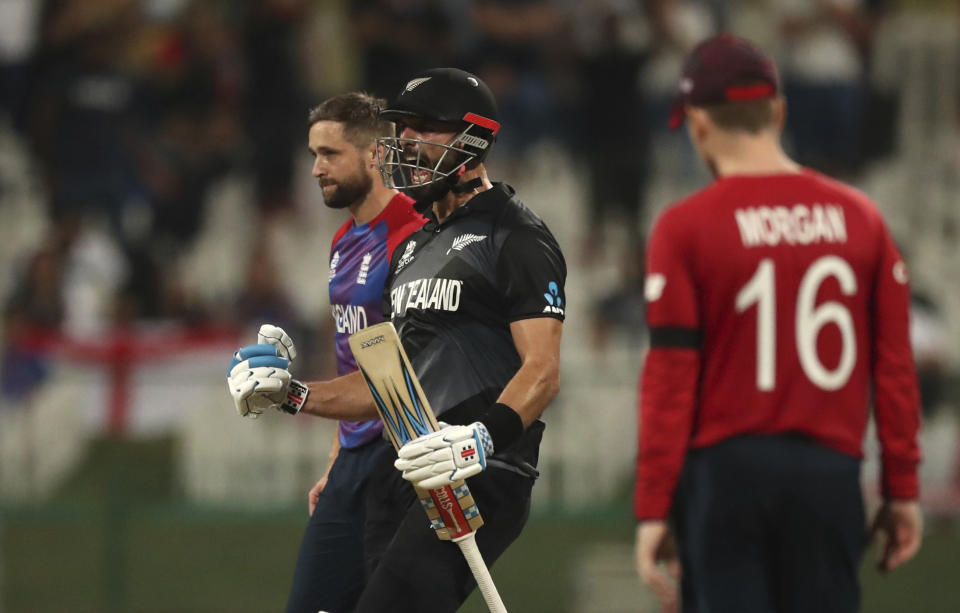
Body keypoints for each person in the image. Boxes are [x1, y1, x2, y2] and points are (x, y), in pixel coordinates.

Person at [226, 68, 566, 612]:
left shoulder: (516, 234)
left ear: (471, 138)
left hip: (478, 472)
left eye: (422, 128)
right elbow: (387, 385)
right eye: (401, 129)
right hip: (405, 473)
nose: (404, 142)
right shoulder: (411, 252)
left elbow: (543, 370)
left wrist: (482, 438)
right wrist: (293, 395)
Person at [632, 34, 923, 613]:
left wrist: (653, 505)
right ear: (780, 112)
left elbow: (670, 378)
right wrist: (902, 489)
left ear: (698, 123)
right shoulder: (861, 219)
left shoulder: (684, 227)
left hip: (726, 476)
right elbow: (893, 368)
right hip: (831, 474)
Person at [237, 92, 423, 613]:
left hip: (401, 459)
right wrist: (337, 458)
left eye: (330, 154)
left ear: (374, 154)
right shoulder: (344, 240)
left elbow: (400, 377)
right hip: (354, 461)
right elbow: (352, 360)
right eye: (313, 154)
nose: (316, 168)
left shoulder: (413, 236)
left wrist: (289, 394)